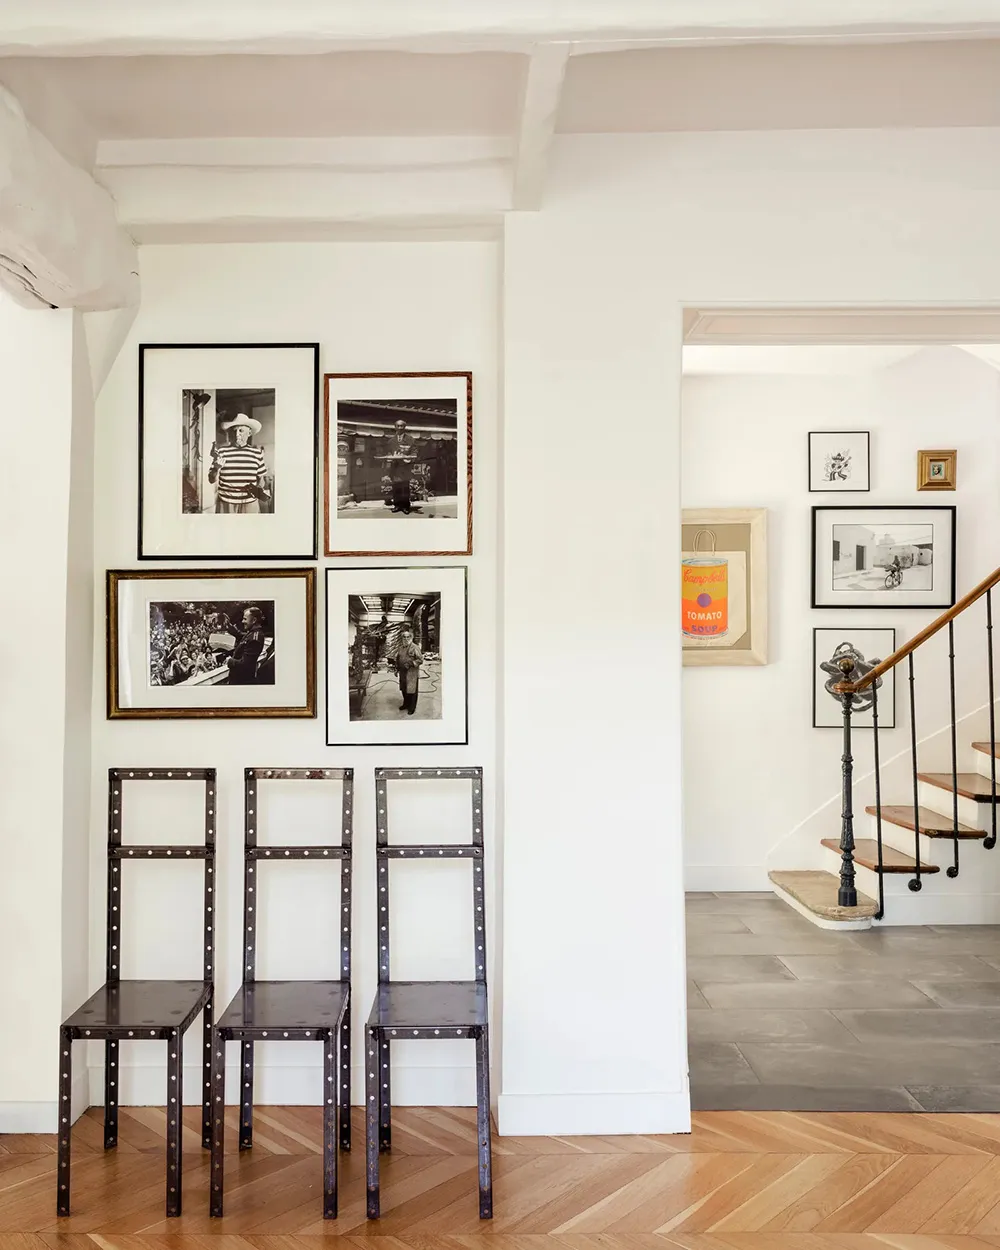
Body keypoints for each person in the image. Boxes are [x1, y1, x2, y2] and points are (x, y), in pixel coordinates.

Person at [209, 412, 270, 513]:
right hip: (226, 503)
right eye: (234, 431)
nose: (237, 434)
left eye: (241, 430)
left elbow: (261, 481)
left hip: (249, 504)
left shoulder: (257, 453)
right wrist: (216, 468)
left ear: (249, 433)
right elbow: (211, 480)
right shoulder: (221, 452)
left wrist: (258, 491)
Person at [380, 419, 417, 514]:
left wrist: (408, 459)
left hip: (405, 468)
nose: (400, 428)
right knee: (396, 487)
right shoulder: (391, 441)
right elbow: (389, 453)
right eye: (398, 426)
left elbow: (414, 452)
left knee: (405, 488)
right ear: (395, 427)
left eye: (402, 426)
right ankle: (397, 505)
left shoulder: (410, 439)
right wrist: (389, 459)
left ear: (405, 427)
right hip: (395, 468)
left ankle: (405, 506)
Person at [227, 606, 266, 685]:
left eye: (245, 619)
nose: (242, 621)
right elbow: (242, 636)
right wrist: (230, 628)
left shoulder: (255, 638)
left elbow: (245, 664)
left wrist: (230, 661)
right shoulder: (252, 633)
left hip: (241, 681)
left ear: (254, 620)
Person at [394, 623, 423, 715]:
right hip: (402, 672)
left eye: (408, 637)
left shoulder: (415, 647)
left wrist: (411, 664)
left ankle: (412, 707)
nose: (406, 639)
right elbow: (398, 659)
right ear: (402, 638)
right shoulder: (400, 648)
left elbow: (420, 660)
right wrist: (396, 669)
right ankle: (406, 704)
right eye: (404, 637)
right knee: (404, 689)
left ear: (411, 637)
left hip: (411, 673)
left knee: (411, 690)